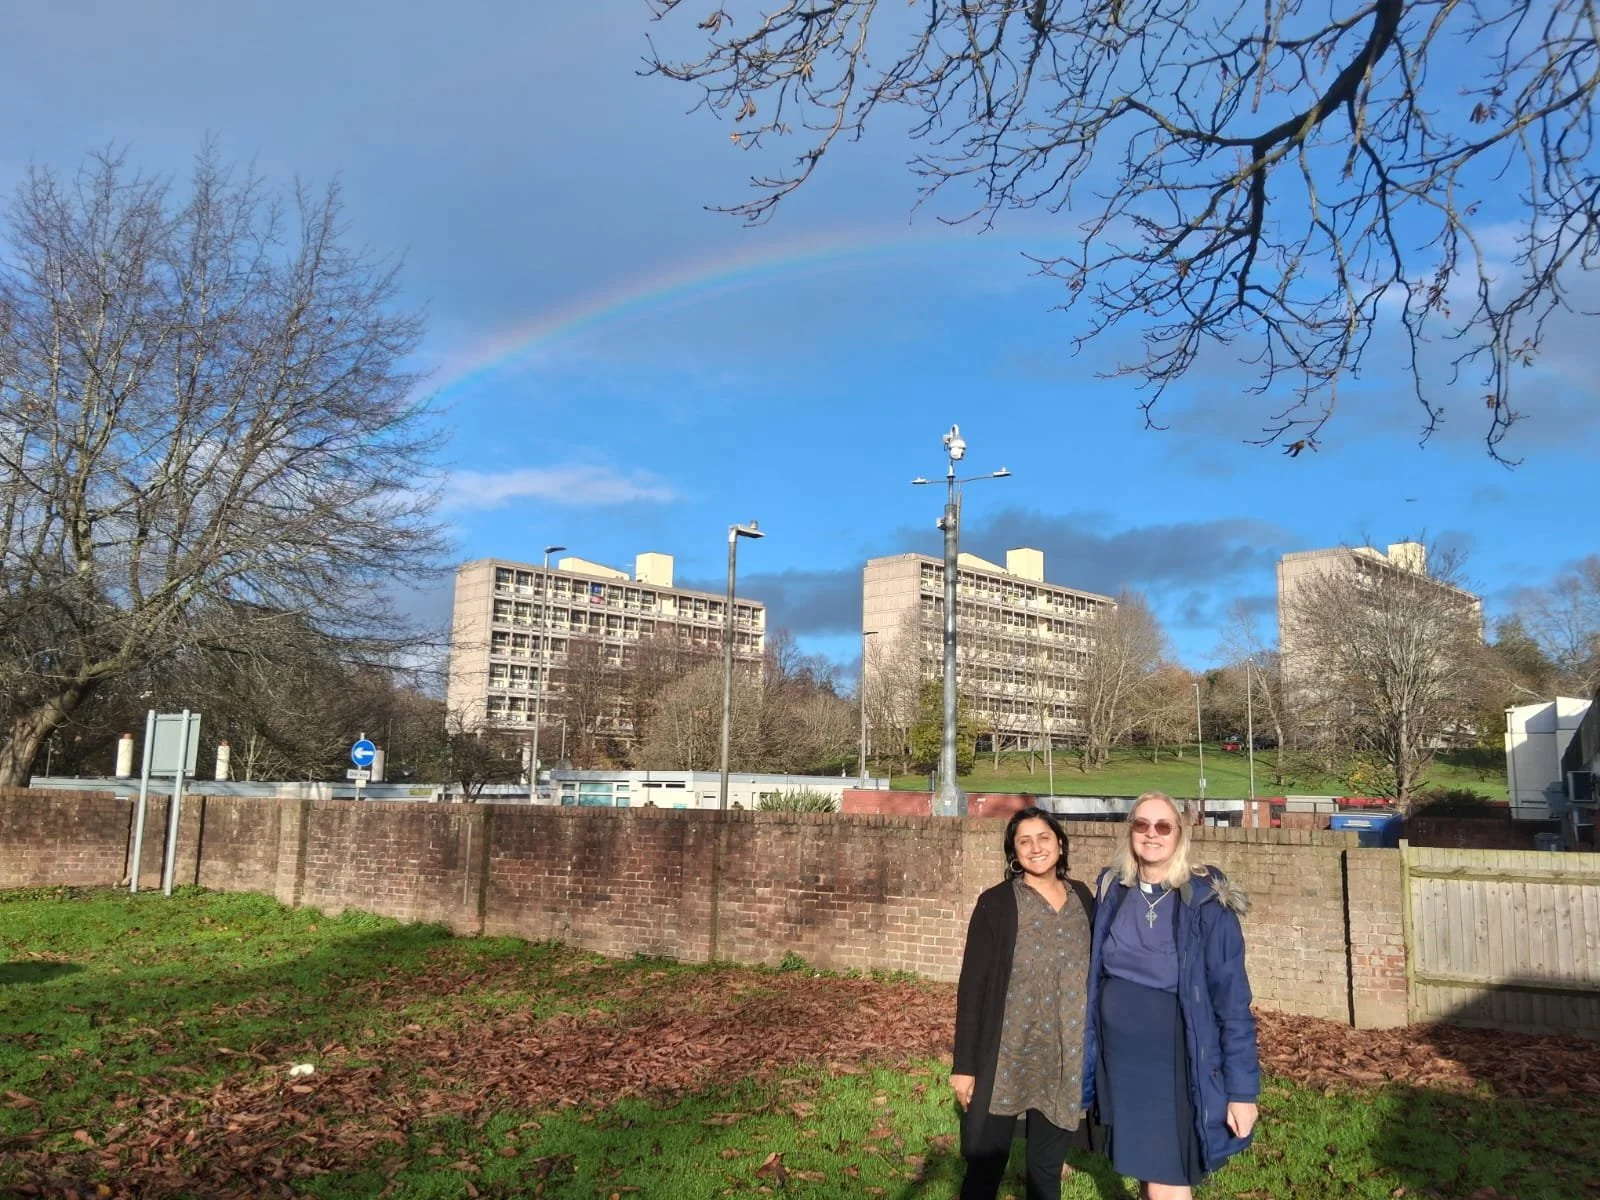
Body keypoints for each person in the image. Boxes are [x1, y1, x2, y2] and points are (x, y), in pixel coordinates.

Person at [1083, 791, 1260, 1199]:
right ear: (1130, 833)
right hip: (1123, 1063)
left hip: (1175, 1063)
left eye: (1163, 826)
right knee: (1150, 1172)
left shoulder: (1206, 903)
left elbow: (1232, 1002)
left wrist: (1242, 1092)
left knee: (1168, 1175)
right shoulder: (1114, 890)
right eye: (1141, 825)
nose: (1151, 834)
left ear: (1180, 835)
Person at [951, 807, 1093, 1200]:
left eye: (1044, 837)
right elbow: (973, 987)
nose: (1036, 847)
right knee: (985, 1167)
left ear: (1060, 844)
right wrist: (964, 1067)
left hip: (1063, 1056)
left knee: (1046, 1170)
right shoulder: (995, 904)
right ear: (1014, 853)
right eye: (1024, 841)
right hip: (1007, 1056)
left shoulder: (1084, 898)